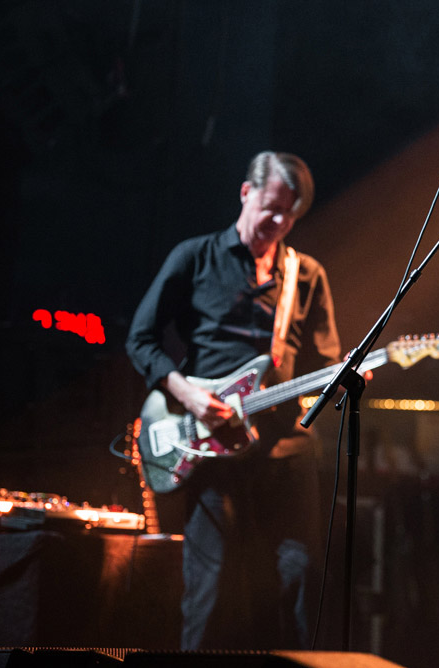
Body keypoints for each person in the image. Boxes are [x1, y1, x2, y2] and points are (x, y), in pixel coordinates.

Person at [126, 151, 341, 650]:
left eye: (290, 214)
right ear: (246, 193)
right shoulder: (194, 257)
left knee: (298, 582)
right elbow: (141, 340)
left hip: (285, 449)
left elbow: (326, 361)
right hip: (210, 446)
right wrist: (190, 395)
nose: (278, 221)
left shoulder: (306, 275)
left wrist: (346, 375)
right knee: (211, 589)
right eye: (271, 207)